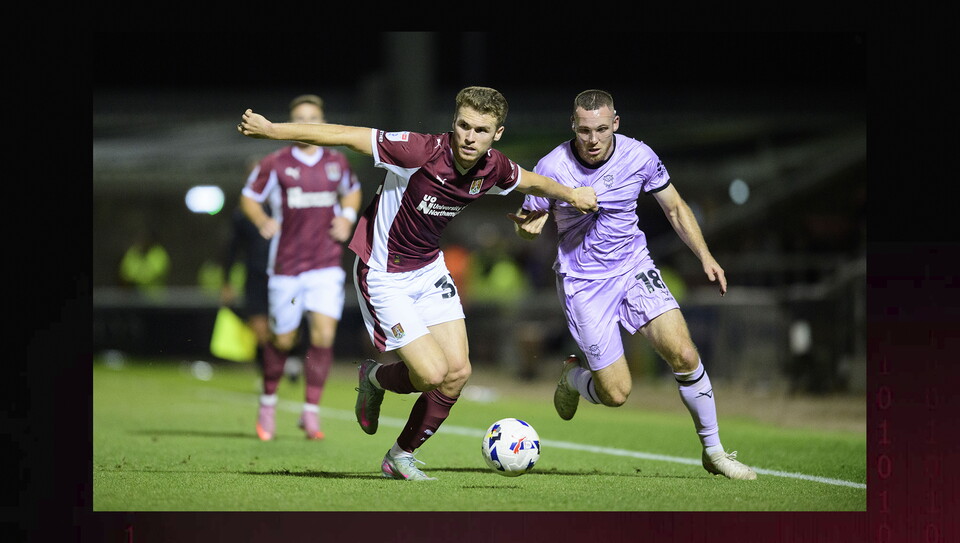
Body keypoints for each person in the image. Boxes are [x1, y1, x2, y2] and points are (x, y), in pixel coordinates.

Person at [238, 86, 598, 480]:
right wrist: (273, 131)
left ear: (496, 134)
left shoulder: (493, 168)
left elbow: (531, 181)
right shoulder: (418, 151)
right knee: (429, 374)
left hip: (428, 270)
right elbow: (343, 134)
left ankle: (399, 456)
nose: (469, 136)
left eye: (481, 130)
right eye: (463, 125)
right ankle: (373, 377)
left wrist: (570, 195)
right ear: (453, 122)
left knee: (457, 372)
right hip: (383, 273)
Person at [509, 89, 757, 480]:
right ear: (573, 125)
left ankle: (714, 451)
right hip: (584, 284)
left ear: (616, 124)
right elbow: (530, 224)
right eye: (585, 130)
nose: (593, 140)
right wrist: (527, 229)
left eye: (602, 130)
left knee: (685, 355)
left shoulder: (638, 156)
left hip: (632, 269)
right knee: (617, 394)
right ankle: (574, 378)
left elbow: (675, 207)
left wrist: (706, 257)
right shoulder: (553, 166)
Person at [239, 94, 363, 441]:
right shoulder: (276, 162)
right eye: (300, 118)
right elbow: (249, 196)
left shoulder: (337, 162)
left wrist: (348, 216)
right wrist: (262, 218)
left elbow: (352, 192)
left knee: (323, 335)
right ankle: (268, 402)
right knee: (282, 339)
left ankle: (310, 413)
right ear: (291, 125)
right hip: (286, 266)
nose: (307, 124)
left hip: (325, 265)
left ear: (322, 124)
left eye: (313, 118)